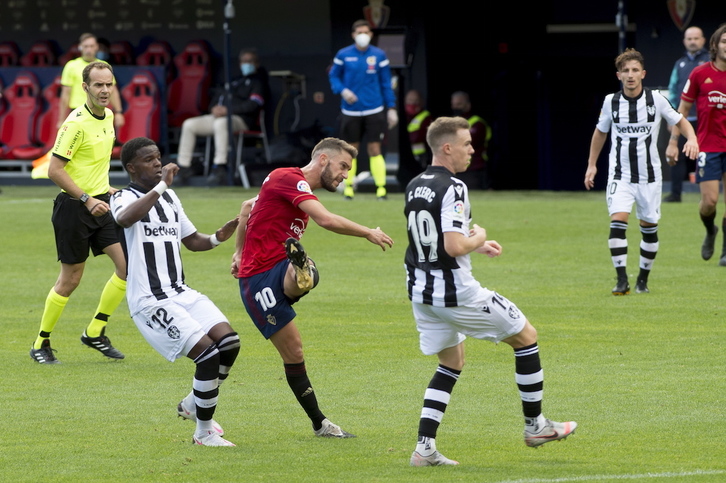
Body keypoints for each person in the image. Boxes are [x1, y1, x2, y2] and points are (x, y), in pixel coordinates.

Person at [405, 117, 576, 467]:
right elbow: (453, 245)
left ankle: (424, 449)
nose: (472, 149)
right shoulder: (453, 187)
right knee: (526, 336)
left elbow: (432, 239)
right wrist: (478, 237)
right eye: (467, 144)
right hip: (457, 294)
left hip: (422, 292)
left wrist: (473, 247)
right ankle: (536, 426)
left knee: (451, 361)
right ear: (447, 147)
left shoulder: (415, 183)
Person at [231, 137, 394, 437]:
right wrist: (368, 232)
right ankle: (321, 423)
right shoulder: (287, 178)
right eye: (343, 166)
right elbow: (326, 220)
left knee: (304, 276)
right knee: (294, 352)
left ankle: (301, 269)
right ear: (322, 160)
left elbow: (246, 208)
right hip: (256, 279)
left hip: (278, 268)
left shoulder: (291, 188)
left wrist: (238, 250)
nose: (345, 175)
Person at [110, 137, 240, 447]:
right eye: (149, 159)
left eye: (158, 157)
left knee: (229, 343)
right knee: (207, 355)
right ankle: (204, 433)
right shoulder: (122, 197)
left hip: (180, 292)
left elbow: (192, 240)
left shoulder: (170, 199)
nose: (158, 163)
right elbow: (124, 219)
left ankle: (193, 404)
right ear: (131, 167)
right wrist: (160, 187)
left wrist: (218, 238)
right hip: (149, 300)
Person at [30, 62, 127, 364]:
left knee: (127, 268)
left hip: (101, 203)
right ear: (84, 88)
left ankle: (95, 331)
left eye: (109, 84)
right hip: (74, 208)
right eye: (98, 85)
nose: (104, 90)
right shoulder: (74, 125)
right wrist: (86, 197)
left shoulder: (109, 116)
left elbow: (93, 164)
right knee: (70, 281)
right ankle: (40, 343)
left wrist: (106, 188)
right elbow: (54, 170)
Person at [585, 49, 698, 295]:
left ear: (643, 74)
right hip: (620, 175)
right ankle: (621, 279)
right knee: (618, 221)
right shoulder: (610, 101)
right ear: (618, 75)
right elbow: (600, 132)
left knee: (648, 227)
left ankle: (643, 281)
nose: (630, 75)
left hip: (649, 176)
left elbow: (680, 120)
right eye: (625, 71)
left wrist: (692, 139)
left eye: (635, 70)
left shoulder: (656, 99)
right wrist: (592, 164)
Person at [670, 24, 726, 266]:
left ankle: (725, 251)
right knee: (709, 203)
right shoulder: (700, 74)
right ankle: (710, 229)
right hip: (709, 145)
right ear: (714, 46)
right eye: (724, 41)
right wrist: (673, 141)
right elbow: (680, 111)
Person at [176, 48, 269, 186]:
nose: (246, 64)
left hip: (241, 120)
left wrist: (229, 110)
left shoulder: (259, 82)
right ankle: (183, 167)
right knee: (189, 124)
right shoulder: (234, 81)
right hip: (219, 118)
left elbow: (253, 106)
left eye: (249, 61)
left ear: (256, 63)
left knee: (221, 123)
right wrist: (214, 109)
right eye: (243, 61)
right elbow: (215, 100)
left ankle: (220, 166)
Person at [328, 19, 398, 200]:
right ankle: (349, 188)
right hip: (351, 110)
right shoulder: (343, 54)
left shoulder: (379, 55)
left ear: (371, 34)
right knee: (352, 149)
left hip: (374, 109)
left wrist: (391, 108)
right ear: (353, 35)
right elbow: (334, 76)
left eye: (366, 32)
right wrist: (343, 91)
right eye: (359, 33)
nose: (363, 36)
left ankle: (381, 189)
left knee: (375, 148)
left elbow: (386, 83)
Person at [663, 26, 709, 202]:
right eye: (689, 39)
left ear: (703, 40)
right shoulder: (679, 63)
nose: (692, 41)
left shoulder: (710, 61)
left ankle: (707, 195)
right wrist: (672, 116)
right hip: (683, 119)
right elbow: (673, 91)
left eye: (696, 38)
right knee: (676, 154)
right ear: (684, 41)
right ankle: (675, 194)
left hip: (705, 119)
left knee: (707, 156)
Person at [58, 32, 124, 130]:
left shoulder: (103, 65)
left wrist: (118, 112)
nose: (89, 49)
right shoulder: (71, 66)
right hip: (78, 113)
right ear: (80, 47)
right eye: (85, 46)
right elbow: (65, 95)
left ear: (97, 47)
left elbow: (113, 90)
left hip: (99, 111)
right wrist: (61, 119)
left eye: (91, 46)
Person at [450, 91, 492, 190]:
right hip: (455, 169)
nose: (456, 107)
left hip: (474, 169)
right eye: (454, 104)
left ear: (468, 105)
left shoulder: (478, 123)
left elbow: (468, 142)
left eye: (459, 104)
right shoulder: (450, 123)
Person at [404, 89, 433, 168]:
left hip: (420, 157)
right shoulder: (402, 116)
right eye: (410, 100)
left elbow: (420, 137)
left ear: (421, 102)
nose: (412, 103)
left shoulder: (426, 117)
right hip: (403, 156)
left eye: (416, 101)